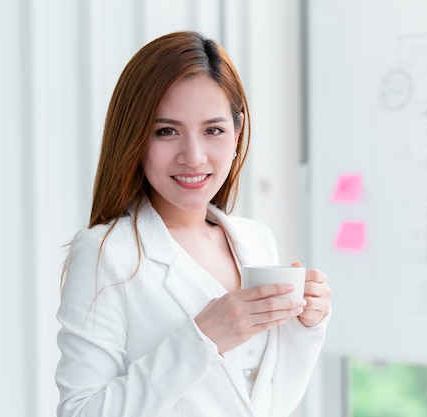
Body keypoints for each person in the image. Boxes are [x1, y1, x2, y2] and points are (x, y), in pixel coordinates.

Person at [55, 31, 332, 417]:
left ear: (237, 134)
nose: (193, 156)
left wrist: (305, 328)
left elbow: (267, 402)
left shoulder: (255, 241)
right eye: (166, 131)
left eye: (213, 130)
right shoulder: (105, 254)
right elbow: (80, 412)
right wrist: (203, 339)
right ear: (134, 137)